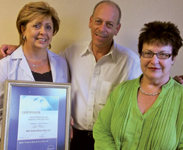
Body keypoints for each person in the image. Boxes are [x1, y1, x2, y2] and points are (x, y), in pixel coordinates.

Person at [0, 1, 142, 149]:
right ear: (90, 21)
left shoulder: (130, 62)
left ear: (117, 29)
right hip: (67, 140)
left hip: (107, 140)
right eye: (98, 21)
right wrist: (19, 50)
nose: (102, 28)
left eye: (109, 24)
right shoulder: (70, 53)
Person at [93, 21, 183, 150]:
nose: (154, 61)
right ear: (140, 55)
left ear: (173, 58)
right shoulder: (121, 90)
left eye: (163, 54)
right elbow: (102, 130)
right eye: (148, 53)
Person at [0, 1, 68, 138]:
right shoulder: (5, 66)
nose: (43, 32)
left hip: (51, 141)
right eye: (37, 25)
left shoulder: (61, 63)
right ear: (23, 29)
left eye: (48, 27)